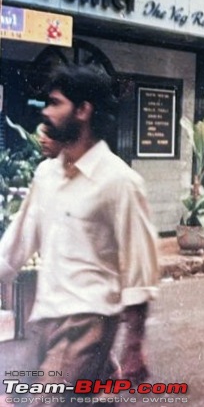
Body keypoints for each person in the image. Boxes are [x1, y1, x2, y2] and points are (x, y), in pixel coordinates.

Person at [0, 64, 159, 399]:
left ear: (83, 110)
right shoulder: (47, 175)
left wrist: (135, 344)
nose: (46, 112)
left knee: (42, 401)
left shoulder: (120, 182)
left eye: (56, 103)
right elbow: (17, 242)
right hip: (45, 318)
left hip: (88, 321)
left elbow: (139, 268)